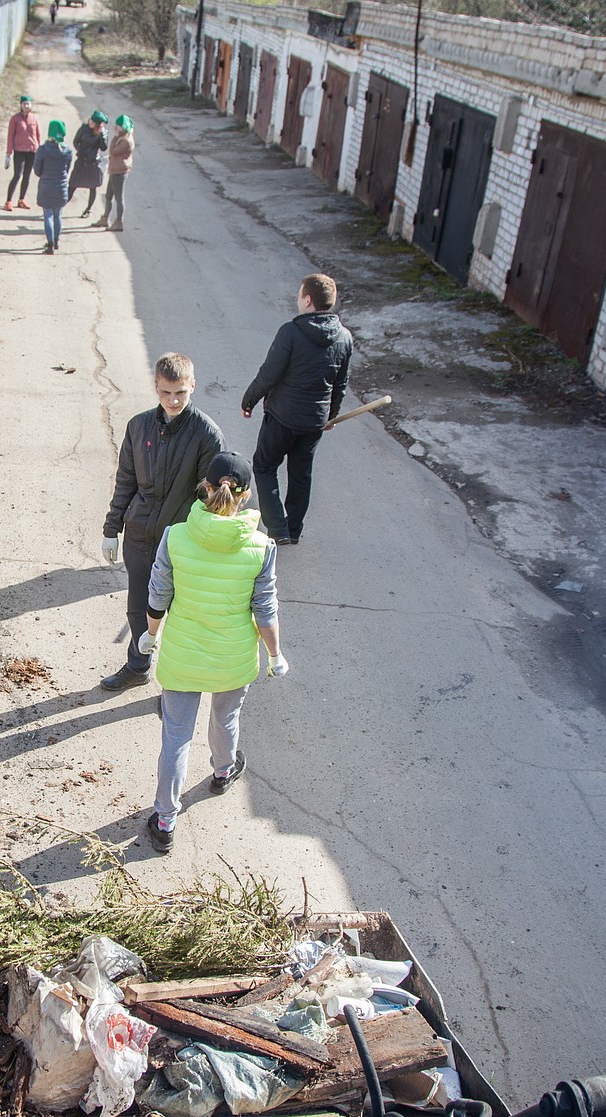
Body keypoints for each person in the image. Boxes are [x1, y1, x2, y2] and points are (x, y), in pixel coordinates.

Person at [139, 452, 287, 853]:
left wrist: (150, 636)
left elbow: (158, 595)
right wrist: (274, 655)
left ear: (205, 487)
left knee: (176, 736)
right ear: (247, 495)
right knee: (227, 718)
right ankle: (223, 772)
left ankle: (166, 818)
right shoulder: (261, 546)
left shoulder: (176, 536)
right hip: (233, 657)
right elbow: (265, 608)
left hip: (183, 656)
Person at [101, 352, 224, 691]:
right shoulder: (138, 427)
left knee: (184, 617)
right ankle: (137, 666)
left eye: (181, 393)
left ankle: (182, 682)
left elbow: (211, 500)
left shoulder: (207, 436)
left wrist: (203, 544)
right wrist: (112, 529)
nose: (173, 400)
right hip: (139, 536)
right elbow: (126, 479)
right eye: (166, 392)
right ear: (155, 386)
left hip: (181, 542)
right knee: (138, 608)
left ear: (193, 386)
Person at [240, 274, 354, 545]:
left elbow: (269, 374)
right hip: (313, 422)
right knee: (301, 474)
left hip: (282, 417)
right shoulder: (345, 338)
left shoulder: (290, 332)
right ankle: (293, 529)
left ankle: (277, 528)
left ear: (307, 299)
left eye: (299, 295)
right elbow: (340, 384)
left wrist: (249, 400)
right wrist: (331, 415)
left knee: (265, 466)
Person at [33, 119, 72, 254]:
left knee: (48, 215)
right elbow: (67, 169)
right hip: (61, 187)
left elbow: (37, 171)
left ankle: (49, 244)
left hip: (46, 186)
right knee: (58, 214)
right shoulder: (67, 151)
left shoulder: (43, 150)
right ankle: (56, 241)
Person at [93, 114, 133, 232]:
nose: (116, 128)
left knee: (119, 198)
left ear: (123, 128)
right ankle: (105, 218)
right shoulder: (123, 137)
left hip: (119, 171)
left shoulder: (125, 140)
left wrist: (115, 137)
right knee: (108, 196)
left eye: (118, 127)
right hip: (115, 170)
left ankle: (119, 222)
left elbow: (113, 151)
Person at [4, 96, 41, 211]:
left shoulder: (34, 118)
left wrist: (39, 150)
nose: (26, 106)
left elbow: (38, 135)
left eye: (28, 104)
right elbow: (10, 136)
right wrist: (8, 153)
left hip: (31, 150)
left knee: (27, 176)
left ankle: (21, 199)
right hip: (19, 150)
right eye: (24, 104)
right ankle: (8, 201)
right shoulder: (15, 119)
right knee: (17, 175)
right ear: (20, 105)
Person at [68, 111, 108, 218]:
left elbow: (104, 148)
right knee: (72, 184)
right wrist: (80, 151)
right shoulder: (84, 128)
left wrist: (103, 136)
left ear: (98, 124)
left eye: (93, 122)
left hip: (93, 162)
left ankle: (88, 209)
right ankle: (60, 206)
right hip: (82, 160)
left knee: (92, 187)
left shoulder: (100, 132)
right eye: (90, 120)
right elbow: (76, 141)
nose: (90, 122)